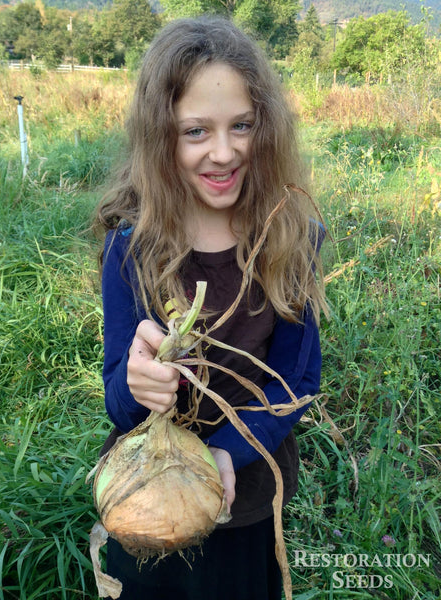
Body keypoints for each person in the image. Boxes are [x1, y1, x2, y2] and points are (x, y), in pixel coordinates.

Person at [95, 14, 327, 600]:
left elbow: (296, 379)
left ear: (265, 126)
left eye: (241, 125)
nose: (223, 153)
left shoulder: (290, 236)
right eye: (195, 131)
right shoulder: (131, 246)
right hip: (147, 492)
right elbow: (120, 404)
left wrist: (225, 451)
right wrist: (138, 385)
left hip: (245, 489)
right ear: (160, 134)